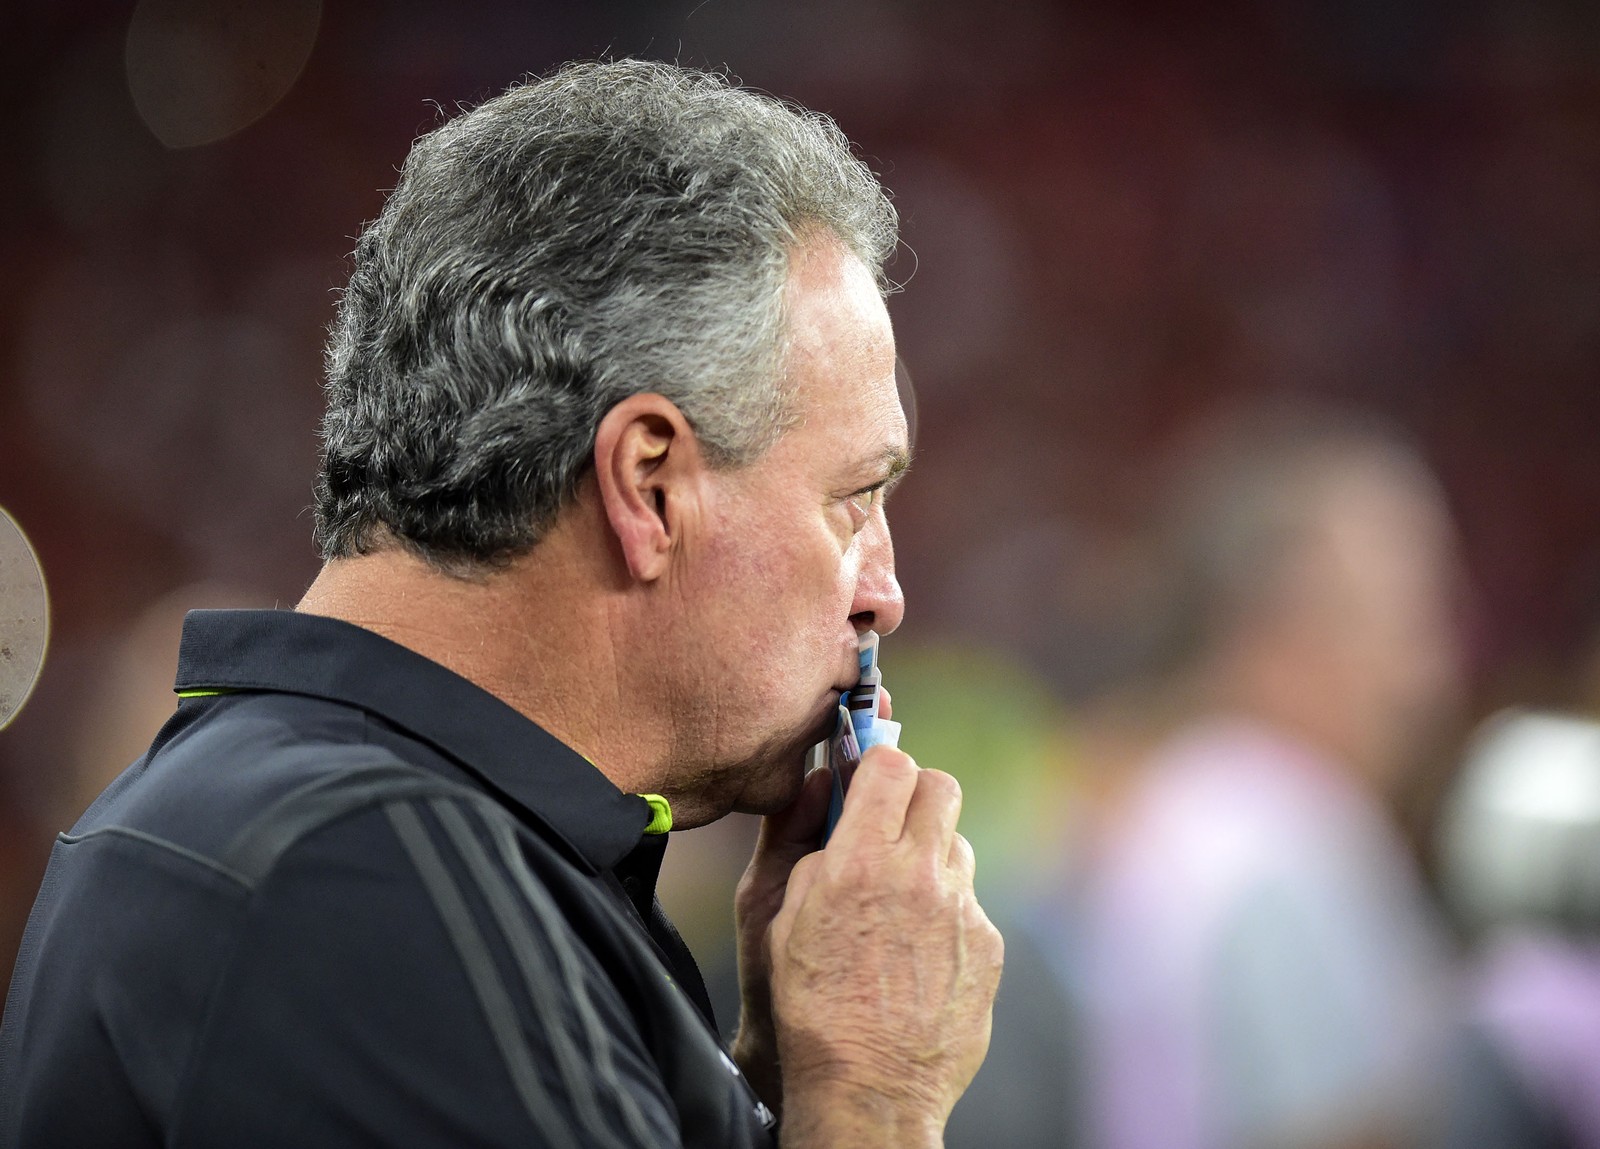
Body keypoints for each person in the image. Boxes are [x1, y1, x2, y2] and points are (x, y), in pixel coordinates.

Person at [0, 61, 1002, 1148]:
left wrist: (768, 1087)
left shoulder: (303, 820)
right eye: (853, 501)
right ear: (649, 486)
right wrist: (875, 1094)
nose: (884, 597)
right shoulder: (372, 878)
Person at [1061, 406, 1468, 1149]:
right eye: (1406, 620)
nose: (1430, 673)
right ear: (1279, 631)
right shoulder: (1288, 836)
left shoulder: (1173, 809)